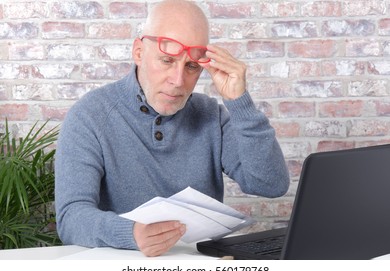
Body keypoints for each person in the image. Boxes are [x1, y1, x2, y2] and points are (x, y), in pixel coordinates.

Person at [55, 0, 289, 257]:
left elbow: (270, 184)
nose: (178, 81)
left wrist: (239, 103)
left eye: (191, 67)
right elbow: (71, 218)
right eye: (167, 60)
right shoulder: (90, 115)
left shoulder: (211, 114)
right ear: (139, 52)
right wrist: (130, 233)